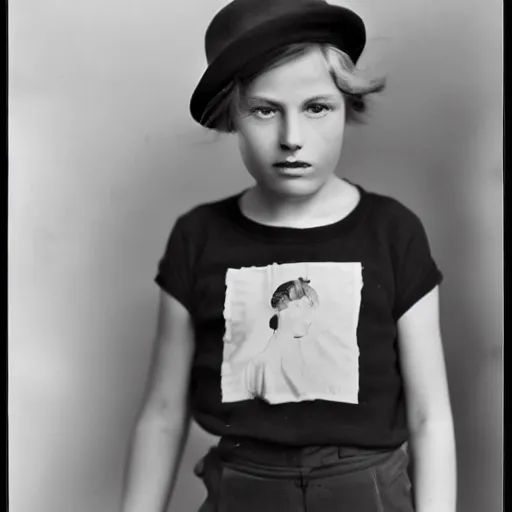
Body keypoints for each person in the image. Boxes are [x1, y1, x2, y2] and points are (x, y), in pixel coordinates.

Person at [120, 1, 457, 511]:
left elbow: (430, 416)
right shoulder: (198, 238)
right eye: (264, 110)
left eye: (316, 107)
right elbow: (163, 412)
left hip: (366, 493)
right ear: (232, 116)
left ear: (346, 105)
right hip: (243, 490)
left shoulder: (394, 232)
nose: (292, 139)